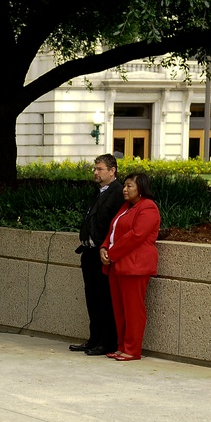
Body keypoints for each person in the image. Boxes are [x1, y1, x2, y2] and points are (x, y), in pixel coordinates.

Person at [100, 173, 160, 362]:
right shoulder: (126, 207)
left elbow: (136, 235)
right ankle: (122, 346)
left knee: (133, 309)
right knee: (120, 309)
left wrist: (112, 252)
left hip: (135, 265)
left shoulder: (148, 207)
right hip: (118, 265)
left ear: (141, 188)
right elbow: (112, 230)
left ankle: (133, 350)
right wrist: (103, 247)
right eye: (124, 186)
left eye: (129, 186)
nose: (124, 190)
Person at [70, 154, 122, 356]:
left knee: (104, 299)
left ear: (112, 170)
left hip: (103, 254)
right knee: (92, 298)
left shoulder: (117, 193)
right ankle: (94, 339)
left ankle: (107, 342)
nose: (96, 172)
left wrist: (107, 248)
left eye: (100, 169)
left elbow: (115, 225)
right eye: (95, 168)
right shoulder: (99, 192)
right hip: (89, 252)